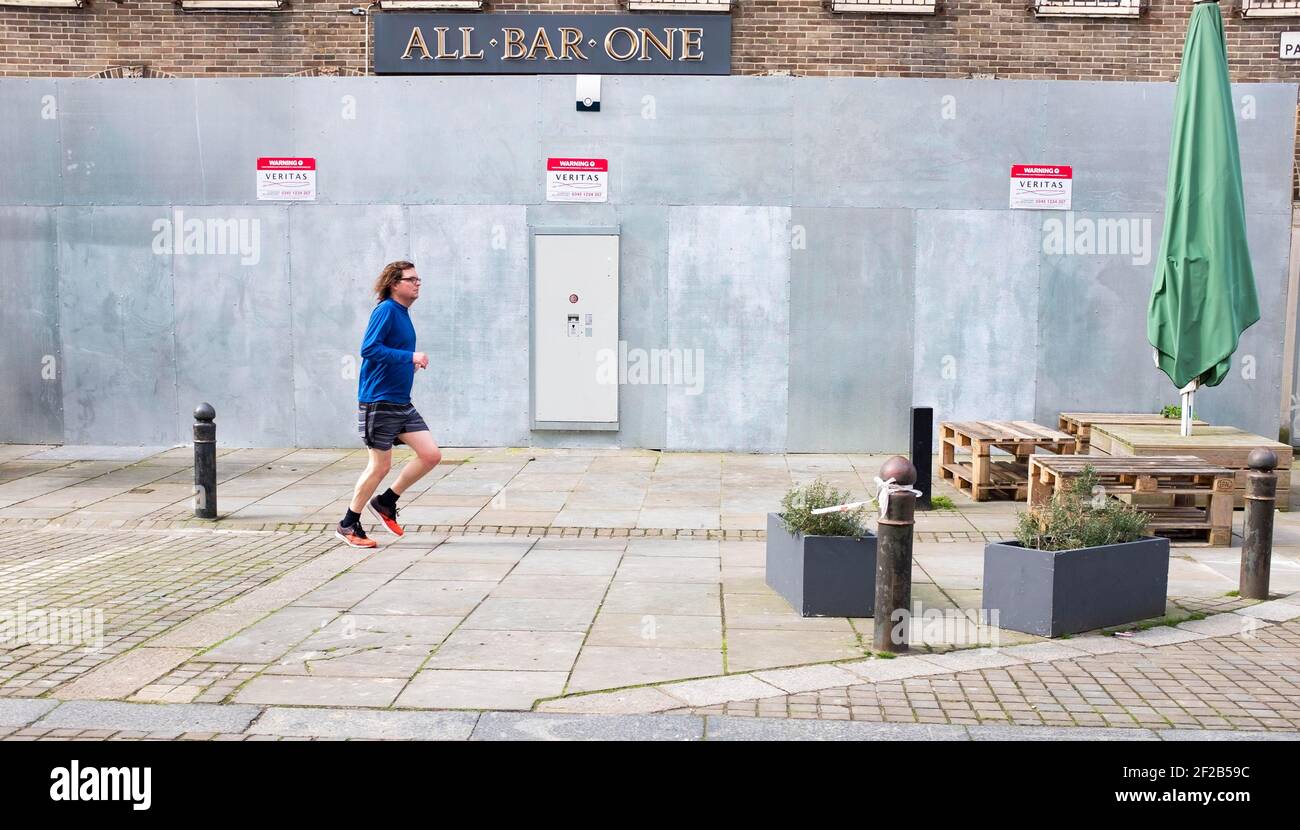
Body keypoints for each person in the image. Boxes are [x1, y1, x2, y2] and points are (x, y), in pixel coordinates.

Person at [336, 260, 442, 548]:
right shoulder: (386, 310)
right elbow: (369, 348)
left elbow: (390, 352)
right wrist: (409, 357)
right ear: (395, 283)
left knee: (431, 455)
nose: (417, 283)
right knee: (379, 466)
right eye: (411, 279)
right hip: (378, 403)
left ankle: (386, 502)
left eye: (419, 279)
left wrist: (409, 365)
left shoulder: (403, 313)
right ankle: (348, 524)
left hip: (400, 403)